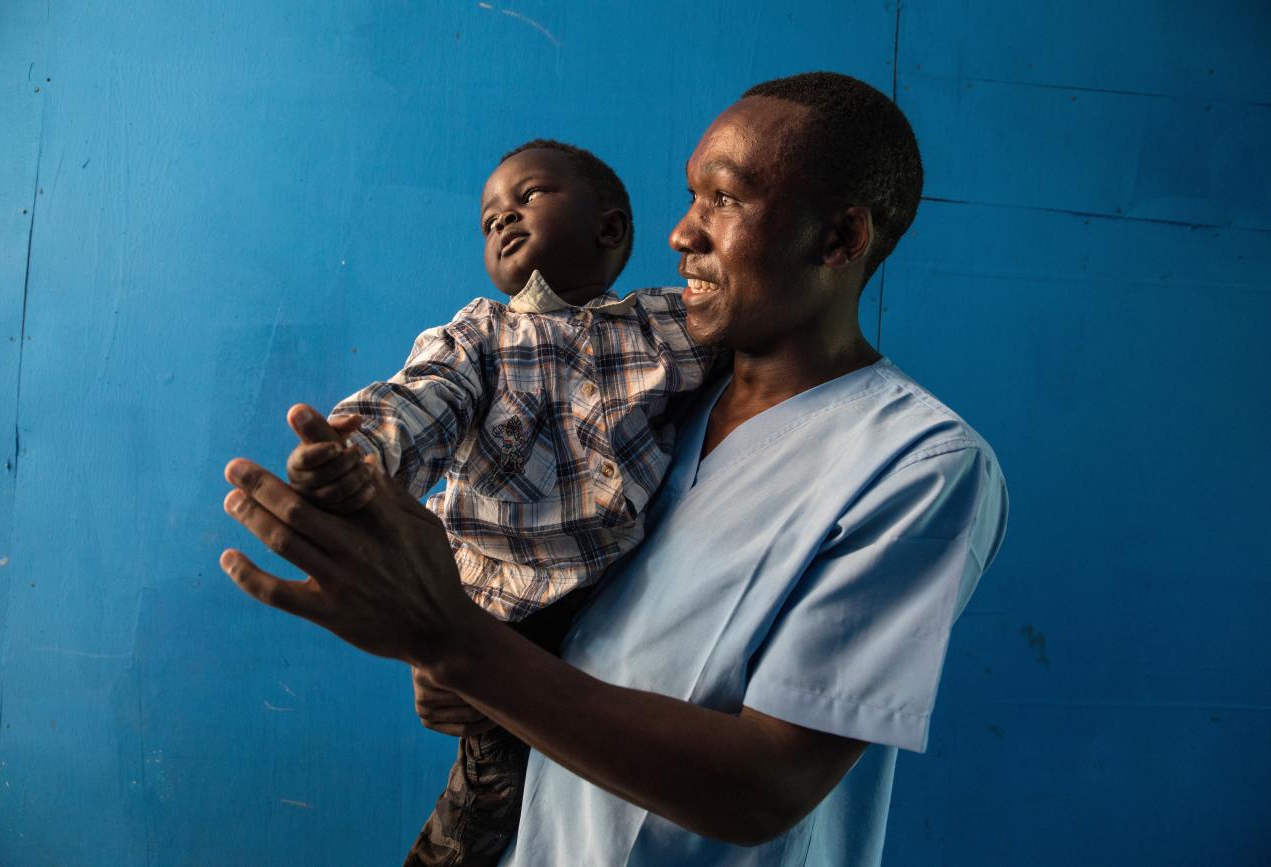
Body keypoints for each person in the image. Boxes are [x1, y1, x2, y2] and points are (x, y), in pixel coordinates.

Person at [220, 71, 1008, 866]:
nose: (683, 233)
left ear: (838, 239)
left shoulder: (917, 466)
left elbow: (767, 784)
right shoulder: (646, 409)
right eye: (691, 196)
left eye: (725, 200)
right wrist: (468, 668)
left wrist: (455, 639)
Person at [285, 139, 718, 864]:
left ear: (609, 230)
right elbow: (420, 400)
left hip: (626, 610)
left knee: (609, 798)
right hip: (508, 619)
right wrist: (357, 456)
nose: (504, 219)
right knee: (485, 806)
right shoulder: (481, 337)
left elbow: (743, 336)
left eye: (529, 197)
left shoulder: (662, 325)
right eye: (489, 219)